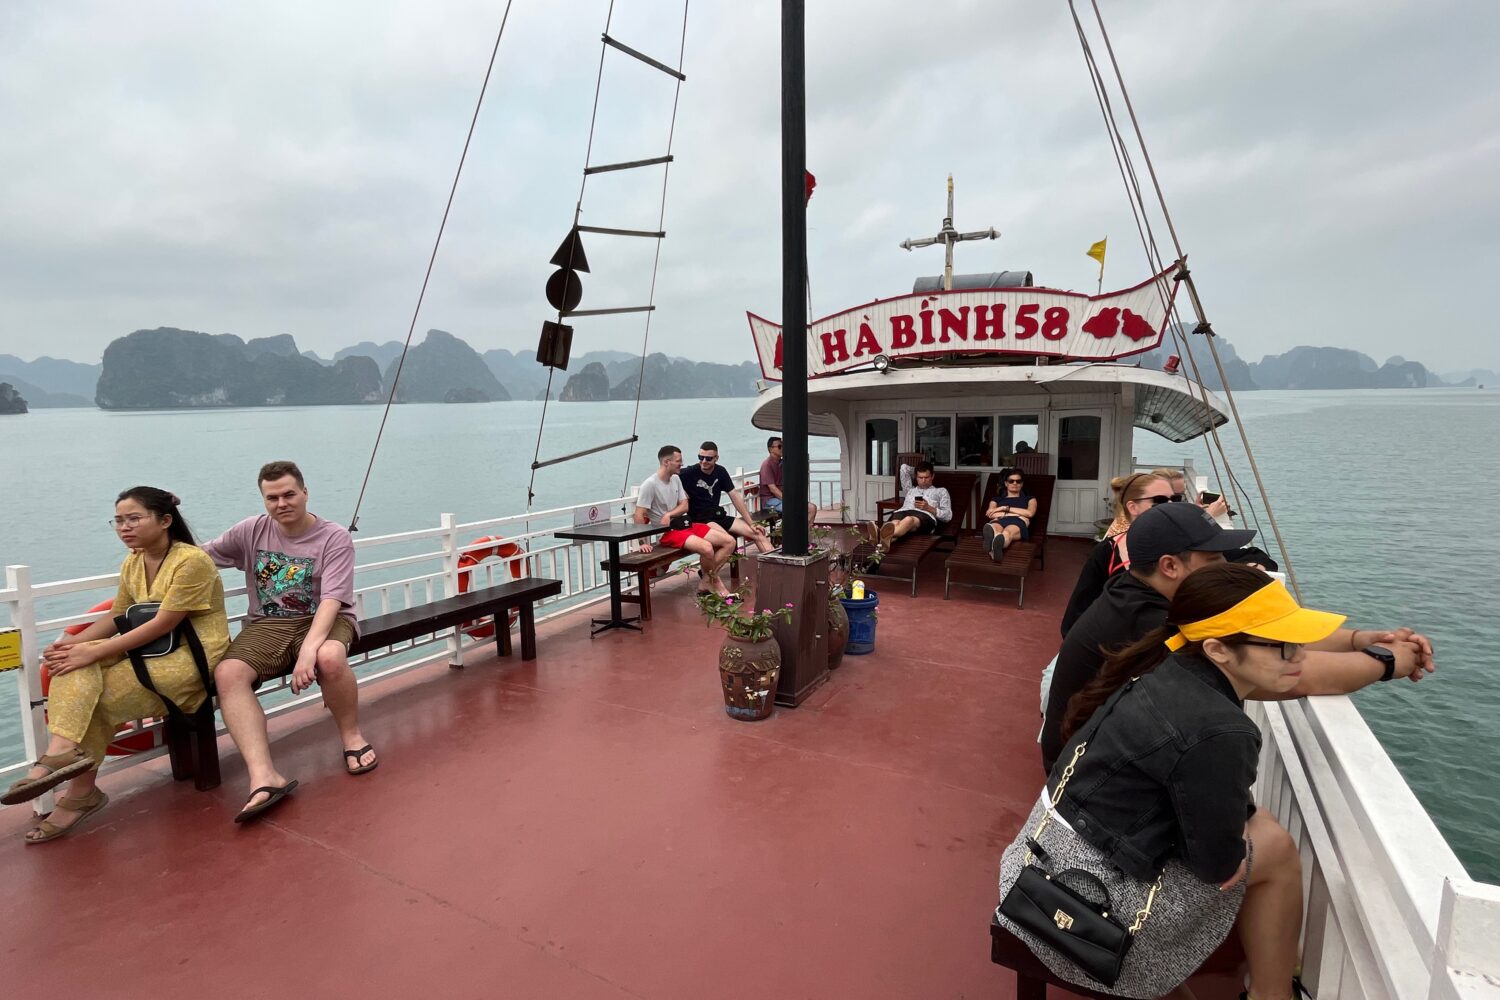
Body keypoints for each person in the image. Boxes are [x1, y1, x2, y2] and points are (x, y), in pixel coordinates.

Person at [1001, 564, 1351, 999]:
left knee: (1257, 827)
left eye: (1298, 642)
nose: (1298, 656)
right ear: (1218, 650)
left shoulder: (1161, 670)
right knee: (1275, 849)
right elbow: (1216, 866)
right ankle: (1272, 994)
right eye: (1282, 646)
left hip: (1035, 859)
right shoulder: (1222, 728)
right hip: (1089, 897)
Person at [1040, 502, 1434, 773]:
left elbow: (1263, 635)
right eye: (1213, 559)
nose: (1225, 566)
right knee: (1269, 846)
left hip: (1098, 750)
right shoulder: (1150, 621)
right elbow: (1289, 672)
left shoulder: (1147, 592)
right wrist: (1388, 661)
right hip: (1084, 774)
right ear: (1171, 565)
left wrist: (1362, 638)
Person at [1, 487, 230, 843]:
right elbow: (120, 613)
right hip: (152, 652)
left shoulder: (191, 561)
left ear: (165, 521)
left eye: (134, 518)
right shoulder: (134, 561)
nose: (125, 527)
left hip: (192, 657)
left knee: (98, 697)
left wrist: (94, 651)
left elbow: (164, 622)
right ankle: (62, 755)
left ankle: (78, 791)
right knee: (70, 664)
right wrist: (74, 644)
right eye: (119, 520)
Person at [201, 460, 377, 824]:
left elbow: (332, 601)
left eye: (289, 494)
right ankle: (264, 776)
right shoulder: (250, 530)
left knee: (329, 657)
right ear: (263, 499)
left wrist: (308, 652)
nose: (281, 503)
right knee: (228, 673)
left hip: (325, 620)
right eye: (272, 497)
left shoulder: (333, 537)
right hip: (268, 624)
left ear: (305, 493)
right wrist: (167, 522)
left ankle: (352, 736)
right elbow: (198, 557)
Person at [1059, 471, 1174, 638]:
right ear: (1133, 507)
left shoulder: (1184, 548)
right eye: (1160, 501)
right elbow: (1080, 608)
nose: (1170, 506)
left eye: (1176, 499)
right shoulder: (1109, 551)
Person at [635, 445, 736, 596]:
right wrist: (643, 543)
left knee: (729, 542)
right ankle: (716, 584)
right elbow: (638, 515)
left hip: (683, 525)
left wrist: (669, 514)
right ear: (666, 462)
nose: (681, 464)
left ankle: (706, 582)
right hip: (666, 532)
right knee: (707, 548)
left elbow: (684, 505)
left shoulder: (675, 479)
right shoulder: (650, 485)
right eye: (678, 461)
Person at [681, 441, 772, 554]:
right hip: (701, 520)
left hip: (718, 515)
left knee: (757, 533)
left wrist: (751, 522)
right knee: (728, 541)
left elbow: (734, 496)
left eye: (708, 458)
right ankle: (708, 571)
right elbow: (669, 475)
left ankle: (777, 566)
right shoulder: (689, 473)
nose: (703, 461)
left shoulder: (721, 472)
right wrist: (682, 494)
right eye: (701, 457)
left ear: (716, 458)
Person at [878, 460, 951, 546]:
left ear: (932, 476)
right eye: (920, 477)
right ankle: (885, 542)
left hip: (925, 517)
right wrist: (917, 469)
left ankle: (879, 535)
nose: (923, 480)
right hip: (903, 512)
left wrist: (928, 508)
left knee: (909, 519)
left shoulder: (941, 491)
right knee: (895, 523)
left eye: (926, 477)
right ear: (916, 477)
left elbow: (948, 516)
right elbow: (904, 468)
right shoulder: (910, 489)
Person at [757, 436, 816, 530]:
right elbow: (773, 489)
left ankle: (805, 535)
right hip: (770, 501)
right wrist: (790, 501)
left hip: (781, 498)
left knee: (812, 508)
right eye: (779, 446)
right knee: (794, 510)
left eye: (783, 446)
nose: (782, 448)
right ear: (771, 449)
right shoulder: (766, 465)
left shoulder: (782, 463)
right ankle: (789, 536)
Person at [982, 467, 1036, 558]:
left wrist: (1004, 508)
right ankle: (994, 549)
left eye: (1018, 481)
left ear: (1022, 484)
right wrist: (1017, 513)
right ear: (1006, 483)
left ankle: (994, 547)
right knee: (994, 529)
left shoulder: (1030, 499)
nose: (1015, 483)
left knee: (1007, 532)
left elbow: (1030, 513)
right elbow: (991, 514)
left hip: (1018, 522)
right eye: (1011, 481)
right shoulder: (996, 499)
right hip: (999, 520)